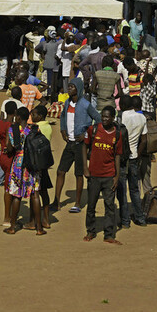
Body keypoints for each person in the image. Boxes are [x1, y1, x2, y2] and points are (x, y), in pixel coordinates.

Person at [52, 77, 102, 213]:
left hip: (81, 145)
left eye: (72, 87)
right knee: (60, 171)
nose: (69, 89)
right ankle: (56, 201)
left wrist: (88, 134)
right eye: (69, 87)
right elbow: (63, 117)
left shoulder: (85, 105)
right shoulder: (67, 103)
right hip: (70, 143)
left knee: (78, 174)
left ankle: (78, 203)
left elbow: (98, 119)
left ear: (78, 89)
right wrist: (62, 130)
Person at [83, 105, 123, 244]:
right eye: (103, 116)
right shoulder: (93, 130)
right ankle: (91, 231)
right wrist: (85, 168)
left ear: (113, 118)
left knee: (110, 206)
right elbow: (84, 146)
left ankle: (109, 235)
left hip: (109, 175)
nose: (104, 119)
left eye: (107, 117)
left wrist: (116, 176)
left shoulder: (117, 134)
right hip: (94, 175)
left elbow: (117, 156)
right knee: (91, 205)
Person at [3, 107, 44, 235]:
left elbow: (10, 149)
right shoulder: (35, 128)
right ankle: (39, 228)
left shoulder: (13, 129)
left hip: (19, 165)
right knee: (35, 195)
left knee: (17, 195)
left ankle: (13, 227)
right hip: (33, 164)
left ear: (19, 117)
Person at [119, 95, 148, 227]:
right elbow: (144, 140)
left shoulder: (121, 117)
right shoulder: (141, 117)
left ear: (123, 105)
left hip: (122, 159)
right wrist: (137, 154)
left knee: (122, 191)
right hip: (134, 157)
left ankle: (125, 221)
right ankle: (140, 218)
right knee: (135, 190)